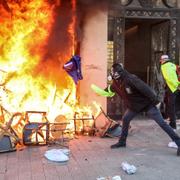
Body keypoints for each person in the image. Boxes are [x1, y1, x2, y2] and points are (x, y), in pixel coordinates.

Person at [91, 63, 180, 156]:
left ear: (118, 73)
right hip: (134, 106)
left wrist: (156, 101)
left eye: (113, 72)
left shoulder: (131, 79)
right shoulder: (115, 84)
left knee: (162, 123)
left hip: (147, 104)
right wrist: (99, 92)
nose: (112, 74)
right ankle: (122, 142)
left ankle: (178, 142)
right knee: (125, 119)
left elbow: (146, 89)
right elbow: (108, 90)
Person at [160, 55, 180, 129]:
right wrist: (178, 85)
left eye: (161, 61)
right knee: (174, 105)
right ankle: (172, 120)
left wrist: (175, 85)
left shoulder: (164, 67)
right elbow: (177, 74)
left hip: (172, 88)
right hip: (176, 87)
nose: (161, 62)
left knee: (171, 106)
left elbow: (169, 78)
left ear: (164, 60)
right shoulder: (173, 65)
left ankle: (173, 125)